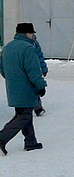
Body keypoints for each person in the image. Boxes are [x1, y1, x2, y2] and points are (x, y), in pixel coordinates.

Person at [0, 23, 47, 154]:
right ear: (27, 34)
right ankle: (2, 137)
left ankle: (30, 142)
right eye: (32, 33)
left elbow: (2, 69)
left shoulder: (7, 47)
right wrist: (41, 86)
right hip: (26, 88)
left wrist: (13, 80)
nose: (33, 36)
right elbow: (34, 72)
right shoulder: (28, 48)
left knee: (23, 114)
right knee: (24, 116)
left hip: (12, 88)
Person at [32, 32, 50, 116]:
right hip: (24, 71)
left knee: (35, 89)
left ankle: (38, 108)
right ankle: (20, 109)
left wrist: (44, 69)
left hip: (35, 70)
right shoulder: (21, 45)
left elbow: (40, 56)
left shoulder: (35, 43)